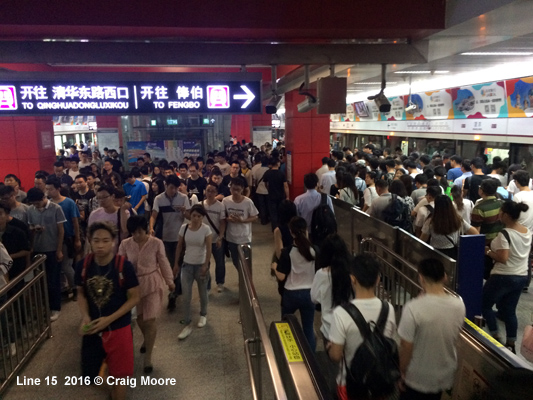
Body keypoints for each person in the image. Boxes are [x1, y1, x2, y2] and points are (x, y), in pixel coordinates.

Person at [76, 222, 140, 400]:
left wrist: (109, 319)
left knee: (120, 376)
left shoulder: (123, 266)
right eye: (96, 240)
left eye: (105, 240)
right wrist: (85, 317)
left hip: (118, 328)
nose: (100, 245)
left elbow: (135, 297)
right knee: (90, 375)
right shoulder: (83, 265)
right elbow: (81, 293)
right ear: (90, 241)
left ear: (113, 242)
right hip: (93, 327)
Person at [327, 254, 397, 400]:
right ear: (378, 279)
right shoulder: (388, 309)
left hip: (350, 386)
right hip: (379, 384)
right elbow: (389, 342)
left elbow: (335, 356)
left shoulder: (341, 313)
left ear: (352, 279)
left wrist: (330, 347)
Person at [398, 258, 466, 400]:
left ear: (421, 278)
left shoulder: (413, 308)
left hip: (417, 377)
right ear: (444, 277)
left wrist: (401, 371)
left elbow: (406, 347)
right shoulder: (458, 305)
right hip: (444, 375)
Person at [118, 216, 174, 373]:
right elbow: (120, 265)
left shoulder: (156, 243)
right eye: (133, 233)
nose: (136, 236)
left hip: (153, 283)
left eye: (139, 232)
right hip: (134, 286)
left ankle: (148, 358)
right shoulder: (125, 244)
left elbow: (163, 261)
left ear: (146, 229)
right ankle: (146, 339)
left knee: (149, 320)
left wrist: (170, 281)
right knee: (141, 319)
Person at [483, 201, 532, 353]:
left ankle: (494, 336)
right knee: (509, 311)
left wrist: (489, 252)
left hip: (503, 276)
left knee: (484, 304)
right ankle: (511, 343)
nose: (499, 215)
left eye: (501, 212)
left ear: (506, 215)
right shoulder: (526, 231)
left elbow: (503, 258)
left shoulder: (505, 234)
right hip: (521, 275)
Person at [272, 217, 319, 350]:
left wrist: (274, 267)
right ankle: (311, 360)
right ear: (306, 231)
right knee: (308, 329)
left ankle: (287, 355)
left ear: (291, 232)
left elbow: (281, 276)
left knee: (286, 327)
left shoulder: (288, 252)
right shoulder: (314, 250)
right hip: (309, 294)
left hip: (290, 294)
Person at [150, 175, 191, 310]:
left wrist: (184, 211)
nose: (174, 190)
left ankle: (174, 292)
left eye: (176, 188)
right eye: (171, 187)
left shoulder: (183, 198)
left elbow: (190, 217)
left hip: (180, 237)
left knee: (177, 264)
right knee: (171, 264)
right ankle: (176, 289)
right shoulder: (159, 199)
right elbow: (154, 215)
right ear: (166, 185)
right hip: (166, 237)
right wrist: (151, 228)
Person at [26, 187, 66, 322]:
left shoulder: (56, 208)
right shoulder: (31, 210)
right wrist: (33, 229)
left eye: (37, 203)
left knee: (53, 280)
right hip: (37, 248)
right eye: (33, 204)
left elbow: (61, 230)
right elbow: (29, 227)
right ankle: (44, 307)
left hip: (52, 248)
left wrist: (59, 250)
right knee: (40, 282)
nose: (35, 206)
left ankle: (56, 308)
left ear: (43, 198)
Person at [173, 204, 212, 339]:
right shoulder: (184, 228)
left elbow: (208, 248)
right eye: (194, 215)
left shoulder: (206, 230)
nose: (195, 218)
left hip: (200, 264)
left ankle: (203, 314)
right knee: (186, 295)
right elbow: (179, 246)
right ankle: (187, 321)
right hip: (187, 265)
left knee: (202, 292)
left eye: (199, 216)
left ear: (203, 217)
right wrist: (176, 264)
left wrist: (206, 265)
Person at [311, 234, 353, 342]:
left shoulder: (322, 274)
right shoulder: (352, 272)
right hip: (351, 325)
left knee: (333, 357)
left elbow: (314, 298)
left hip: (329, 328)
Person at [46, 177, 82, 300]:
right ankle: (65, 288)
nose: (48, 192)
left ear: (58, 189)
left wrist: (77, 239)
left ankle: (76, 287)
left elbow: (75, 221)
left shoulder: (68, 202)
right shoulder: (48, 203)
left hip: (67, 237)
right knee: (59, 266)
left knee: (66, 265)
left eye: (50, 189)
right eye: (47, 189)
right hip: (52, 238)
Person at [222, 177, 259, 270]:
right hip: (231, 237)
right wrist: (228, 219)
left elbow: (255, 217)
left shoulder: (248, 202)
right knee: (235, 261)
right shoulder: (225, 201)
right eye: (233, 189)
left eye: (238, 190)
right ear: (230, 188)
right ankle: (241, 278)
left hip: (244, 237)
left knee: (246, 262)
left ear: (242, 189)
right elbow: (222, 217)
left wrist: (243, 220)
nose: (235, 192)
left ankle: (246, 282)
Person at [202, 182, 227, 292]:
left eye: (212, 191)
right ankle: (207, 284)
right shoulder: (201, 204)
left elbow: (222, 223)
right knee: (205, 262)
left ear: (216, 192)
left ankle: (220, 282)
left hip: (216, 238)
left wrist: (220, 237)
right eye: (208, 191)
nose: (210, 193)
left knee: (220, 262)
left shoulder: (221, 206)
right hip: (203, 239)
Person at [471, 179, 504, 244]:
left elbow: (475, 232)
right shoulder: (502, 204)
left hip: (486, 243)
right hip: (501, 241)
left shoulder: (479, 208)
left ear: (481, 191)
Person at [263, 156, 289, 230]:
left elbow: (266, 184)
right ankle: (281, 228)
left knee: (273, 213)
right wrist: (287, 196)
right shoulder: (281, 173)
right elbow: (285, 186)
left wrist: (268, 189)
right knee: (280, 212)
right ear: (278, 163)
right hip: (281, 196)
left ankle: (275, 229)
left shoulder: (267, 173)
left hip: (271, 196)